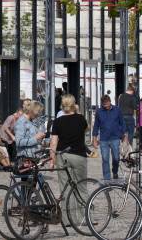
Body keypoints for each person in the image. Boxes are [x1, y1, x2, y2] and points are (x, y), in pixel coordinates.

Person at [49, 95, 88, 223]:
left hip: (62, 156)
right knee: (81, 186)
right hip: (79, 155)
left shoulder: (58, 121)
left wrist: (51, 160)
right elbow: (85, 130)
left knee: (65, 188)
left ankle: (68, 220)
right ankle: (85, 218)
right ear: (74, 104)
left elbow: (53, 143)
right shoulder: (81, 119)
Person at [92, 95, 127, 181]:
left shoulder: (117, 110)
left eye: (107, 104)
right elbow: (96, 125)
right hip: (104, 139)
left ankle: (115, 171)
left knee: (116, 158)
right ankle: (107, 178)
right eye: (104, 105)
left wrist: (124, 135)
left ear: (110, 101)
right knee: (105, 159)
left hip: (115, 137)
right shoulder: (99, 112)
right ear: (102, 104)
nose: (106, 106)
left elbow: (122, 122)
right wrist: (94, 138)